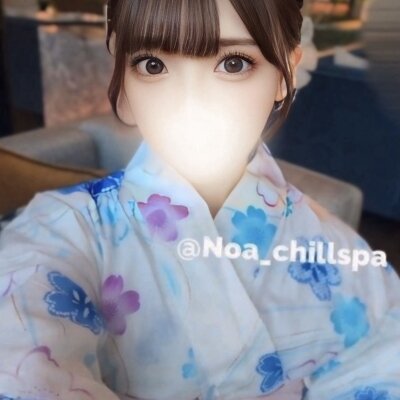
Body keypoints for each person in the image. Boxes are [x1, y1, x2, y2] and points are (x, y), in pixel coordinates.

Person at [0, 1, 399, 399]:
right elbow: (18, 364)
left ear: (285, 74)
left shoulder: (336, 247)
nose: (190, 103)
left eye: (234, 63)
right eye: (152, 65)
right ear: (122, 79)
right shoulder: (59, 231)